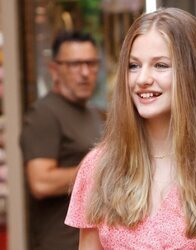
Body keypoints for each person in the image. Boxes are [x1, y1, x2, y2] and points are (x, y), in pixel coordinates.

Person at [65, 8, 196, 249]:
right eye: (133, 66)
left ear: (194, 75)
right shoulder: (99, 167)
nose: (142, 78)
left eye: (160, 65)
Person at [20, 31, 104, 250]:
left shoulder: (92, 113)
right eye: (75, 64)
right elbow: (41, 182)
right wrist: (102, 170)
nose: (85, 73)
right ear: (54, 69)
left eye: (91, 63)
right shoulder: (44, 113)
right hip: (58, 243)